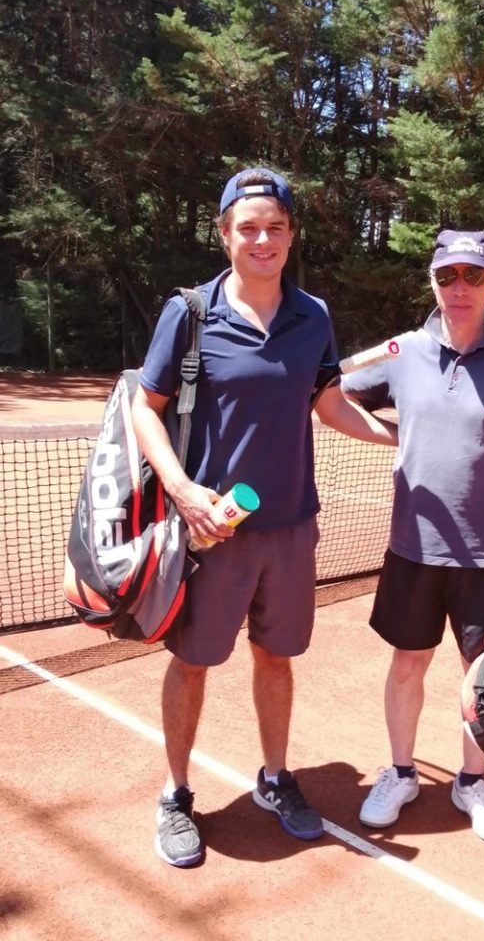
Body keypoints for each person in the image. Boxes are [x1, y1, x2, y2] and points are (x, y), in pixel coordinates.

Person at [132, 167, 397, 867]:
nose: (262, 239)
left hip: (292, 529)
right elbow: (143, 409)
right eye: (247, 228)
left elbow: (329, 403)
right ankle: (176, 794)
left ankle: (275, 779)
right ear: (225, 235)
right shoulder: (190, 313)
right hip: (212, 532)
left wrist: (401, 438)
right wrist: (184, 491)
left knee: (276, 658)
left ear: (290, 235)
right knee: (193, 663)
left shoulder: (314, 317)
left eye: (275, 228)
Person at [342, 229, 484, 845]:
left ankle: (472, 781)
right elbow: (332, 395)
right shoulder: (402, 350)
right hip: (413, 546)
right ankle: (402, 773)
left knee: (479, 673)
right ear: (432, 281)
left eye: (473, 275)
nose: (459, 287)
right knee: (408, 662)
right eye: (446, 275)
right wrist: (395, 435)